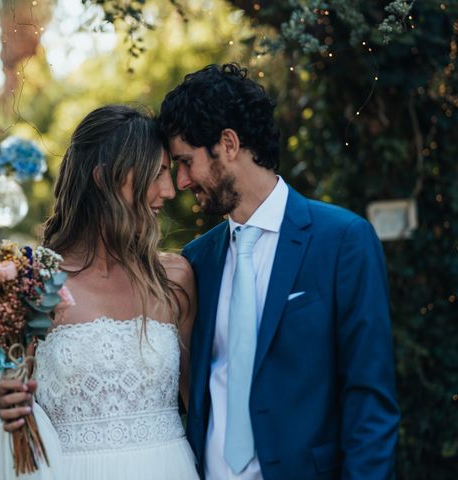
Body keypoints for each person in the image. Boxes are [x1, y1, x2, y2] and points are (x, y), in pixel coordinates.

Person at [157, 63, 400, 480]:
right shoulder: (197, 260)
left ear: (228, 144)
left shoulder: (343, 241)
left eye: (185, 162)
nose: (181, 182)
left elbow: (370, 401)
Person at [0, 105, 199, 480]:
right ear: (104, 179)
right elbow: (11, 385)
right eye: (157, 174)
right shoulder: (32, 283)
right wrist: (7, 397)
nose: (169, 191)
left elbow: (199, 404)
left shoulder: (174, 279)